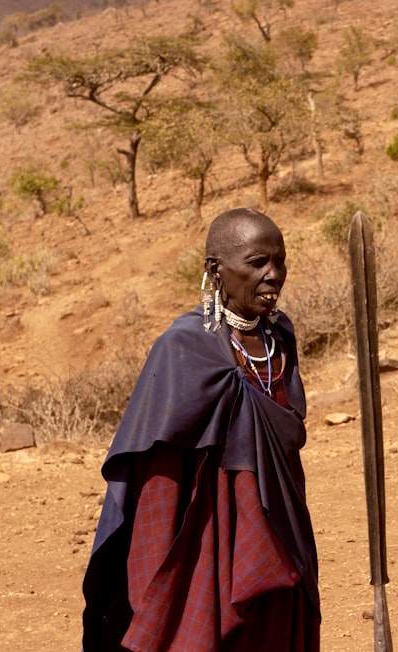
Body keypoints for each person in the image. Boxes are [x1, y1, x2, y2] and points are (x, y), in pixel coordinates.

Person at [81, 208, 321, 651]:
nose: (273, 274)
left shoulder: (280, 337)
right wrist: (159, 562)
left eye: (280, 261)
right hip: (209, 533)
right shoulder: (183, 347)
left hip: (281, 521)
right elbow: (157, 472)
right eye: (257, 263)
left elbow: (286, 437)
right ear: (216, 270)